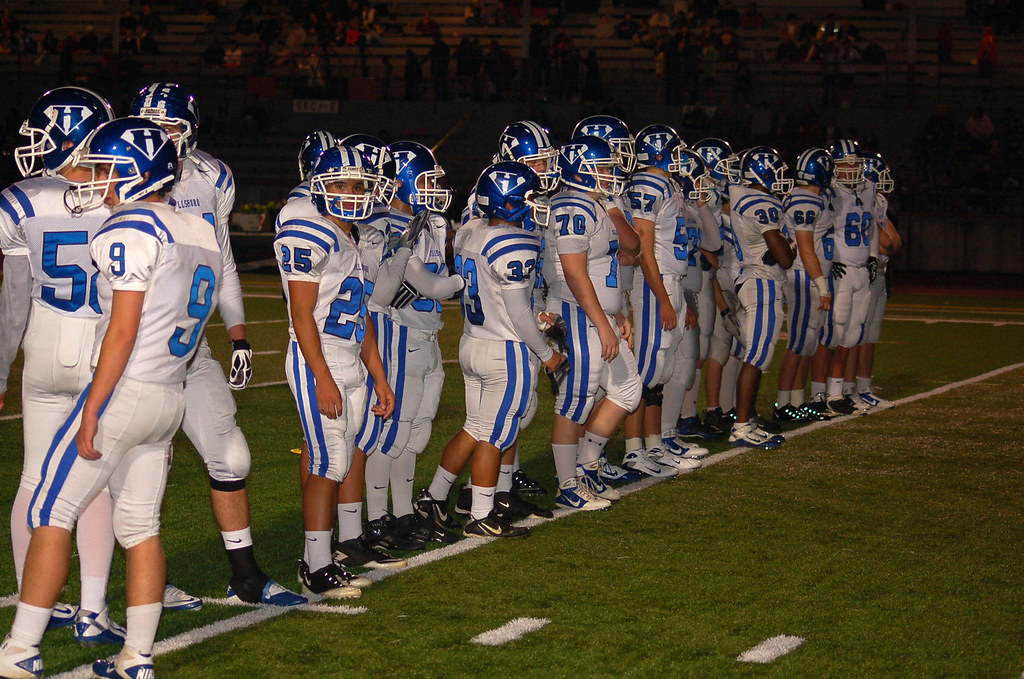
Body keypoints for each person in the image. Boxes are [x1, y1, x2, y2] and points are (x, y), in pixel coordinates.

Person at [0, 117, 221, 679]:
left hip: (124, 391)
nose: (97, 178)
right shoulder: (198, 229)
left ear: (135, 171)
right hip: (169, 395)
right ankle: (136, 659)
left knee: (51, 509)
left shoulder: (131, 227)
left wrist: (94, 407)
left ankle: (20, 650)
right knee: (141, 527)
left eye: (106, 167)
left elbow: (121, 331)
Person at [132, 83, 304, 607]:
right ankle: (149, 582)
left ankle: (246, 575)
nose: (160, 138)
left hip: (190, 344)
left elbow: (222, 258)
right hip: (137, 349)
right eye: (152, 126)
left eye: (171, 128)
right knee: (146, 466)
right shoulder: (122, 173)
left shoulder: (211, 176)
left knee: (231, 457)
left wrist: (239, 335)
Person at [0, 87, 121, 645]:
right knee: (93, 484)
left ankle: (35, 604)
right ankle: (92, 611)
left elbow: (16, 298)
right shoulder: (124, 197)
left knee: (33, 479)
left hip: (44, 344)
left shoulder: (19, 200)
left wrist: (0, 370)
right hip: (103, 347)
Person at [275, 145, 395, 598]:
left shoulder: (354, 239)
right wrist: (321, 375)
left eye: (358, 186)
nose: (350, 194)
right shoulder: (310, 233)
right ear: (319, 188)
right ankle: (316, 566)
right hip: (317, 358)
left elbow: (360, 316)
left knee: (337, 461)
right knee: (330, 462)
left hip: (349, 358)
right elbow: (302, 313)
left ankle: (320, 557)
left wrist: (380, 376)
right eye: (340, 185)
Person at [447, 162, 564, 536]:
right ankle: (481, 514)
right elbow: (517, 312)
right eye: (529, 198)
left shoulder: (468, 231)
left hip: (471, 341)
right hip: (505, 350)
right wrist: (547, 354)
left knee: (480, 427)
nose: (535, 204)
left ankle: (443, 497)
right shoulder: (517, 243)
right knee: (496, 436)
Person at [364, 141, 465, 548]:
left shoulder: (431, 223)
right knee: (393, 434)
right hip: (398, 337)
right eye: (425, 179)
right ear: (402, 181)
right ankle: (376, 518)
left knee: (416, 433)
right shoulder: (383, 228)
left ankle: (403, 512)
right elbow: (432, 284)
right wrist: (463, 283)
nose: (433, 187)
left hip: (427, 334)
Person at [548, 135, 643, 510]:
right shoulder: (574, 205)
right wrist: (602, 323)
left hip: (596, 313)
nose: (610, 174)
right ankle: (566, 483)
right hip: (575, 311)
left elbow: (605, 265)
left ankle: (587, 465)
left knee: (627, 389)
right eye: (602, 168)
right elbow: (573, 272)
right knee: (575, 399)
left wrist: (615, 312)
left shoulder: (595, 204)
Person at [622, 125, 701, 477]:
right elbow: (644, 248)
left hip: (671, 281)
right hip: (657, 284)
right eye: (674, 149)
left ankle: (652, 443)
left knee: (660, 371)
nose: (680, 156)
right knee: (646, 372)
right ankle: (632, 449)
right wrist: (663, 299)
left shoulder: (665, 183)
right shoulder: (649, 184)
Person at [727, 147, 794, 447]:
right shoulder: (761, 203)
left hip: (753, 278)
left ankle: (746, 420)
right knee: (756, 357)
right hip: (762, 281)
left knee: (755, 356)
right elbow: (785, 257)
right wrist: (787, 246)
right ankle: (741, 425)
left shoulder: (744, 198)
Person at [772, 148, 834, 422]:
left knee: (808, 342)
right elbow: (806, 248)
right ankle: (783, 402)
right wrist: (822, 285)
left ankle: (797, 400)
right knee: (797, 343)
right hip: (801, 276)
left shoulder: (808, 197)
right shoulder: (805, 200)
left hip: (806, 275)